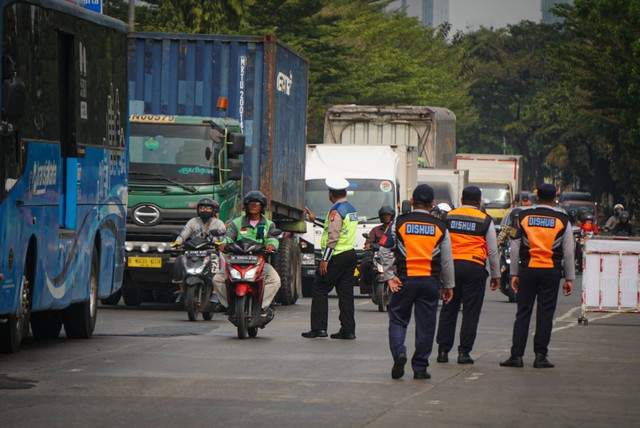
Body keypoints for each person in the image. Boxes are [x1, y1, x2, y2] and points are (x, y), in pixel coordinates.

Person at [380, 184, 455, 380]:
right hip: (430, 283)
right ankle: (420, 368)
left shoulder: (399, 223)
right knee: (426, 325)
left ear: (412, 202)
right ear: (433, 204)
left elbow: (384, 250)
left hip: (404, 281)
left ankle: (399, 352)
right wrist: (448, 286)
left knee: (397, 319)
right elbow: (447, 261)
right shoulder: (440, 227)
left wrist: (390, 276)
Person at [500, 183, 574, 369]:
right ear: (554, 199)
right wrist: (569, 279)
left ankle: (516, 356)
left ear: (537, 197)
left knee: (523, 313)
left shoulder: (523, 217)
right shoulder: (563, 220)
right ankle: (540, 356)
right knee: (545, 315)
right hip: (551, 272)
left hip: (528, 270)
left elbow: (515, 247)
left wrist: (514, 273)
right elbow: (569, 252)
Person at [436, 186, 501, 365]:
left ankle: (443, 350)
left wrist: (440, 271)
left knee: (449, 309)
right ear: (479, 202)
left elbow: (440, 243)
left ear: (462, 199)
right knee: (471, 312)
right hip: (475, 268)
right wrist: (496, 275)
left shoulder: (448, 217)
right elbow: (493, 250)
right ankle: (464, 352)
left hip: (452, 267)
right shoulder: (485, 220)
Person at [302, 178, 358, 340]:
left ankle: (319, 328)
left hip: (336, 255)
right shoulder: (350, 209)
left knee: (319, 288)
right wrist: (315, 220)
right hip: (349, 253)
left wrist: (325, 260)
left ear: (331, 194)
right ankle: (348, 330)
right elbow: (336, 228)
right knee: (346, 294)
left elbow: (333, 236)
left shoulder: (335, 211)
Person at [213, 191, 281, 316]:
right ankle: (229, 306)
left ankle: (261, 307)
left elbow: (272, 238)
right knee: (217, 279)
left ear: (262, 206)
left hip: (258, 261)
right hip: (235, 260)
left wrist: (271, 245)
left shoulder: (269, 224)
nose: (253, 205)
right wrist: (223, 243)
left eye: (257, 203)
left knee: (275, 280)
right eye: (250, 202)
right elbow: (229, 237)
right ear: (246, 205)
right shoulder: (236, 222)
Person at [172, 198, 226, 303]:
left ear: (213, 210)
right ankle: (182, 290)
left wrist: (221, 243)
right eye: (202, 208)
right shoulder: (193, 221)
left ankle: (215, 292)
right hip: (194, 250)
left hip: (211, 250)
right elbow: (184, 233)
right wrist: (177, 242)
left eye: (208, 208)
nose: (205, 210)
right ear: (198, 209)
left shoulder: (218, 223)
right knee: (179, 260)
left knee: (220, 260)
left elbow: (224, 235)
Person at [360, 205, 395, 294]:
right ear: (381, 217)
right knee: (364, 264)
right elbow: (369, 241)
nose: (386, 217)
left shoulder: (395, 228)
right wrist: (368, 245)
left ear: (392, 216)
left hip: (393, 256)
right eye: (384, 215)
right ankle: (369, 287)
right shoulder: (375, 230)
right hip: (378, 256)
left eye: (388, 215)